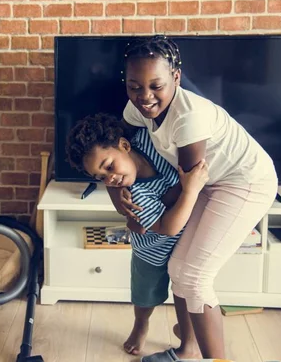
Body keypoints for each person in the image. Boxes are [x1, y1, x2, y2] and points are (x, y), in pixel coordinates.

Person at [108, 35, 279, 361]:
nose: (145, 96)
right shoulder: (136, 108)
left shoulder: (189, 119)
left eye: (156, 86)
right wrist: (118, 191)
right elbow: (119, 149)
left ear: (175, 77)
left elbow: (185, 186)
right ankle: (188, 347)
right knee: (178, 267)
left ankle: (213, 357)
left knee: (196, 276)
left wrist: (150, 215)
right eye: (134, 86)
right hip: (205, 183)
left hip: (244, 182)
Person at [65, 113, 209, 356]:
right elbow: (168, 227)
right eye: (101, 178)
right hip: (152, 251)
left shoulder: (149, 141)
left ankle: (188, 337)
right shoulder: (134, 196)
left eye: (109, 166)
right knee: (144, 296)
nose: (109, 178)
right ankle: (141, 324)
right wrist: (190, 190)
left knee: (185, 290)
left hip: (186, 242)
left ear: (124, 145)